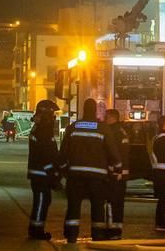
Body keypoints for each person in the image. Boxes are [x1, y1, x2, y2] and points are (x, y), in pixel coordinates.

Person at [59, 98, 122, 243]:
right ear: (95, 110)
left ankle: (71, 234)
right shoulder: (103, 128)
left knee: (73, 206)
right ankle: (97, 235)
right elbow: (112, 150)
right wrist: (117, 167)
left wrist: (63, 169)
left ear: (83, 109)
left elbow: (64, 151)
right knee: (97, 206)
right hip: (98, 176)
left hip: (75, 175)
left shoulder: (73, 127)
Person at [27, 100, 61, 241]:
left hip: (38, 172)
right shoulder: (43, 130)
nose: (54, 117)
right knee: (42, 201)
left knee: (42, 201)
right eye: (52, 113)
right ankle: (37, 231)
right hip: (42, 174)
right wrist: (53, 173)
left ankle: (35, 228)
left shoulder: (38, 127)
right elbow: (46, 154)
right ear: (46, 113)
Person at [103, 108, 131, 240]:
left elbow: (112, 153)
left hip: (114, 173)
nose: (104, 119)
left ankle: (111, 230)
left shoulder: (111, 132)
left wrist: (114, 170)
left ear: (111, 117)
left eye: (106, 117)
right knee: (119, 203)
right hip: (121, 173)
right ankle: (117, 229)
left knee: (111, 202)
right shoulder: (122, 131)